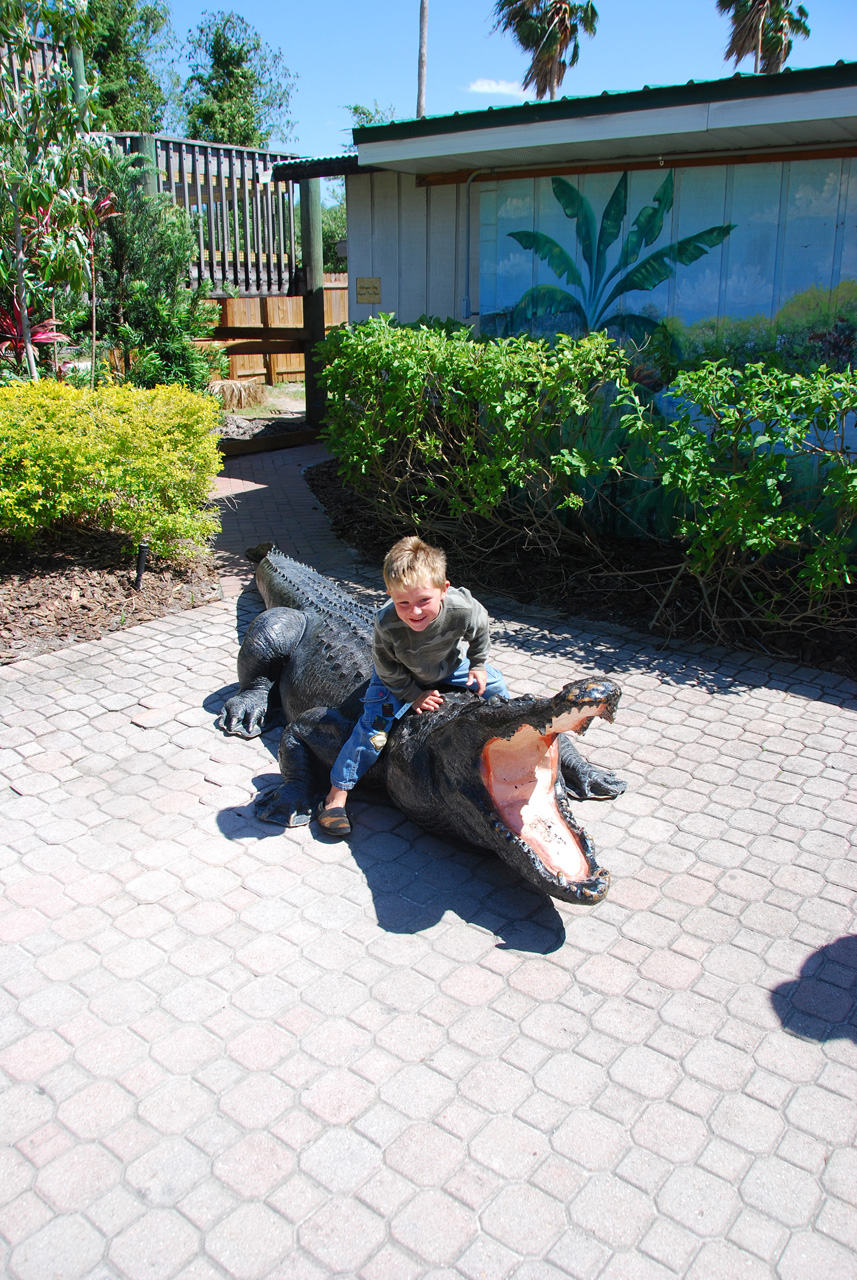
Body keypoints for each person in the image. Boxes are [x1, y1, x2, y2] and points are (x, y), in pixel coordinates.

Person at [316, 535, 509, 836]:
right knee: (373, 731)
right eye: (402, 602)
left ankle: (510, 741)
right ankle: (336, 795)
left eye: (423, 601)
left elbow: (481, 626)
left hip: (448, 666)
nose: (414, 611)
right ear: (390, 594)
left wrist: (479, 663)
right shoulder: (386, 621)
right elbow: (385, 666)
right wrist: (413, 695)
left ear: (443, 590)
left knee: (495, 684)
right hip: (399, 676)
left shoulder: (461, 607)